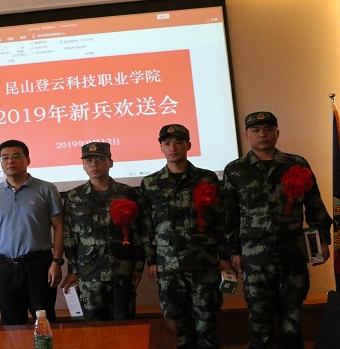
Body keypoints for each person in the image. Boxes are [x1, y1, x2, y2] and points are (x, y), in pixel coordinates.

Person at [223, 111, 333, 349]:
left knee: (292, 321)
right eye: (255, 130)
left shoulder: (296, 164)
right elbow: (230, 216)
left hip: (292, 254)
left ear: (277, 133)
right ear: (246, 135)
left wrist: (322, 240)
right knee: (259, 321)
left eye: (268, 129)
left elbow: (315, 206)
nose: (262, 135)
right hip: (255, 258)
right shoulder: (235, 170)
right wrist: (233, 252)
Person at [139, 125, 229, 349]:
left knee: (207, 324)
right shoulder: (151, 183)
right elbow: (146, 225)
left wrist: (225, 257)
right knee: (177, 327)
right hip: (168, 265)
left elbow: (220, 220)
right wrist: (151, 260)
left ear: (188, 145)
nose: (173, 148)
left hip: (203, 262)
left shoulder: (206, 179)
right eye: (167, 143)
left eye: (178, 142)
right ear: (161, 148)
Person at [0, 139, 64, 325]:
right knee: (11, 326)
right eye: (5, 158)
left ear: (28, 160)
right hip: (6, 267)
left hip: (39, 265)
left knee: (44, 323)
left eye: (16, 156)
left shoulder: (46, 189)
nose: (10, 161)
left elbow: (59, 227)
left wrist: (56, 261)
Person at [62, 142, 143, 321]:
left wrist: (138, 267)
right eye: (88, 160)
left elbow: (138, 232)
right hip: (89, 275)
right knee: (94, 330)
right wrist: (73, 270)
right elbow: (70, 236)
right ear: (83, 165)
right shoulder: (74, 196)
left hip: (121, 272)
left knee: (125, 327)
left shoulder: (127, 193)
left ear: (110, 162)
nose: (94, 164)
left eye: (99, 159)